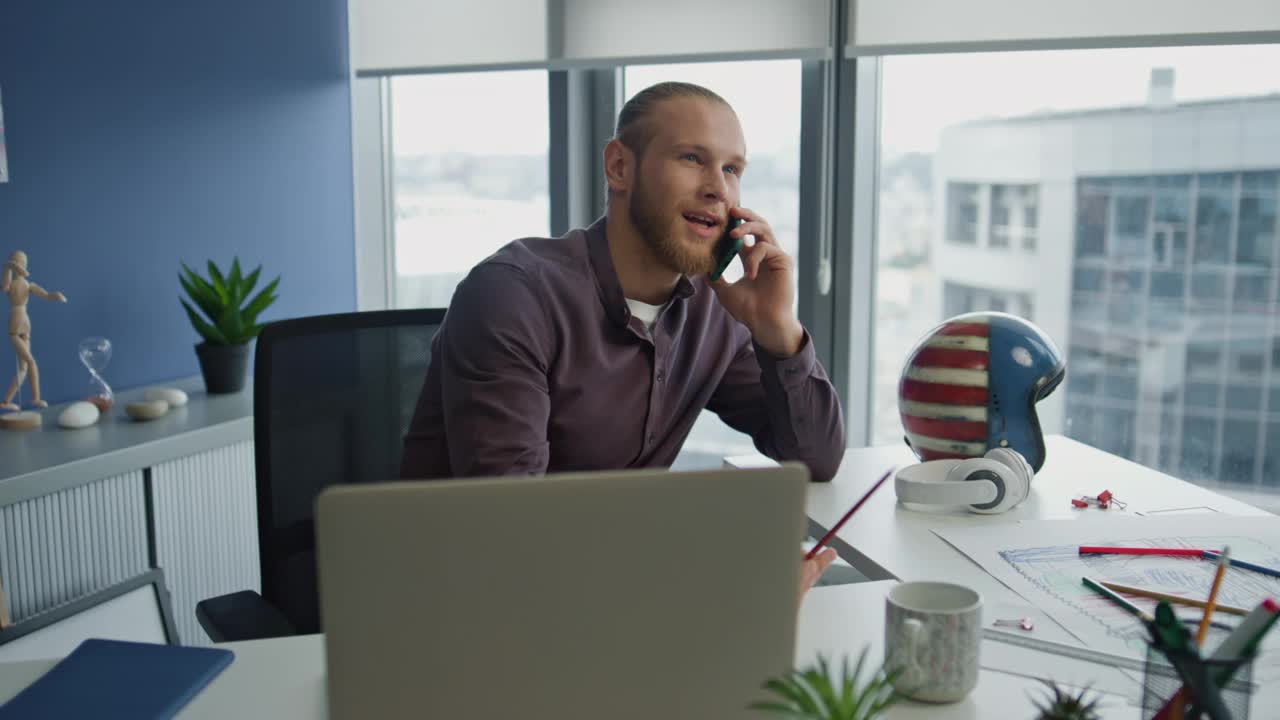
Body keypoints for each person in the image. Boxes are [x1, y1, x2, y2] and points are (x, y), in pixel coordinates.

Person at [401, 82, 846, 592]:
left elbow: (816, 457)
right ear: (619, 167)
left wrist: (777, 329)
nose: (718, 190)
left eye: (731, 169)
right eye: (692, 158)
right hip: (466, 607)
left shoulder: (715, 308)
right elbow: (513, 527)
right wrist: (713, 579)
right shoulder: (512, 294)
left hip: (609, 601)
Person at [2, 250, 67, 411]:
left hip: (26, 324)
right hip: (15, 325)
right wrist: (8, 267)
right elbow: (4, 286)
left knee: (23, 369)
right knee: (31, 362)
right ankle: (35, 398)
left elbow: (45, 295)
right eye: (18, 261)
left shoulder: (28, 285)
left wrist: (56, 295)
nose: (21, 265)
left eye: (23, 262)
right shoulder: (9, 283)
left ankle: (6, 401)